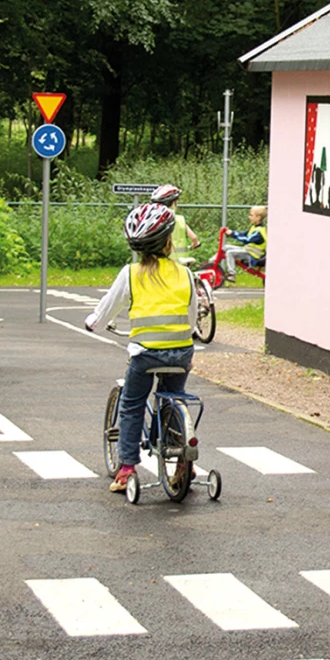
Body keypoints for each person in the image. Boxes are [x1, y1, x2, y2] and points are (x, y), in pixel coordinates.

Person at [84, 203, 198, 494]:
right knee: (173, 399)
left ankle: (126, 470)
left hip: (145, 352)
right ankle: (181, 456)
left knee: (132, 404)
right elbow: (193, 316)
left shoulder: (131, 273)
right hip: (181, 351)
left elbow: (108, 307)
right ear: (169, 242)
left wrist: (94, 322)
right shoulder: (185, 274)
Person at [219, 205, 267, 284]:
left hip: (253, 256)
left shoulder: (259, 231)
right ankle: (211, 263)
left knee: (230, 253)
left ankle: (232, 274)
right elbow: (243, 234)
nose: (249, 217)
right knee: (226, 247)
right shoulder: (254, 228)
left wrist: (233, 234)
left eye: (251, 215)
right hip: (247, 250)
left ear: (258, 217)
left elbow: (246, 240)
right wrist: (232, 232)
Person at [150, 184, 199, 256]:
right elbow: (194, 238)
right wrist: (194, 245)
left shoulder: (154, 221)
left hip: (162, 260)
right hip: (181, 261)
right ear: (173, 203)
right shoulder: (180, 220)